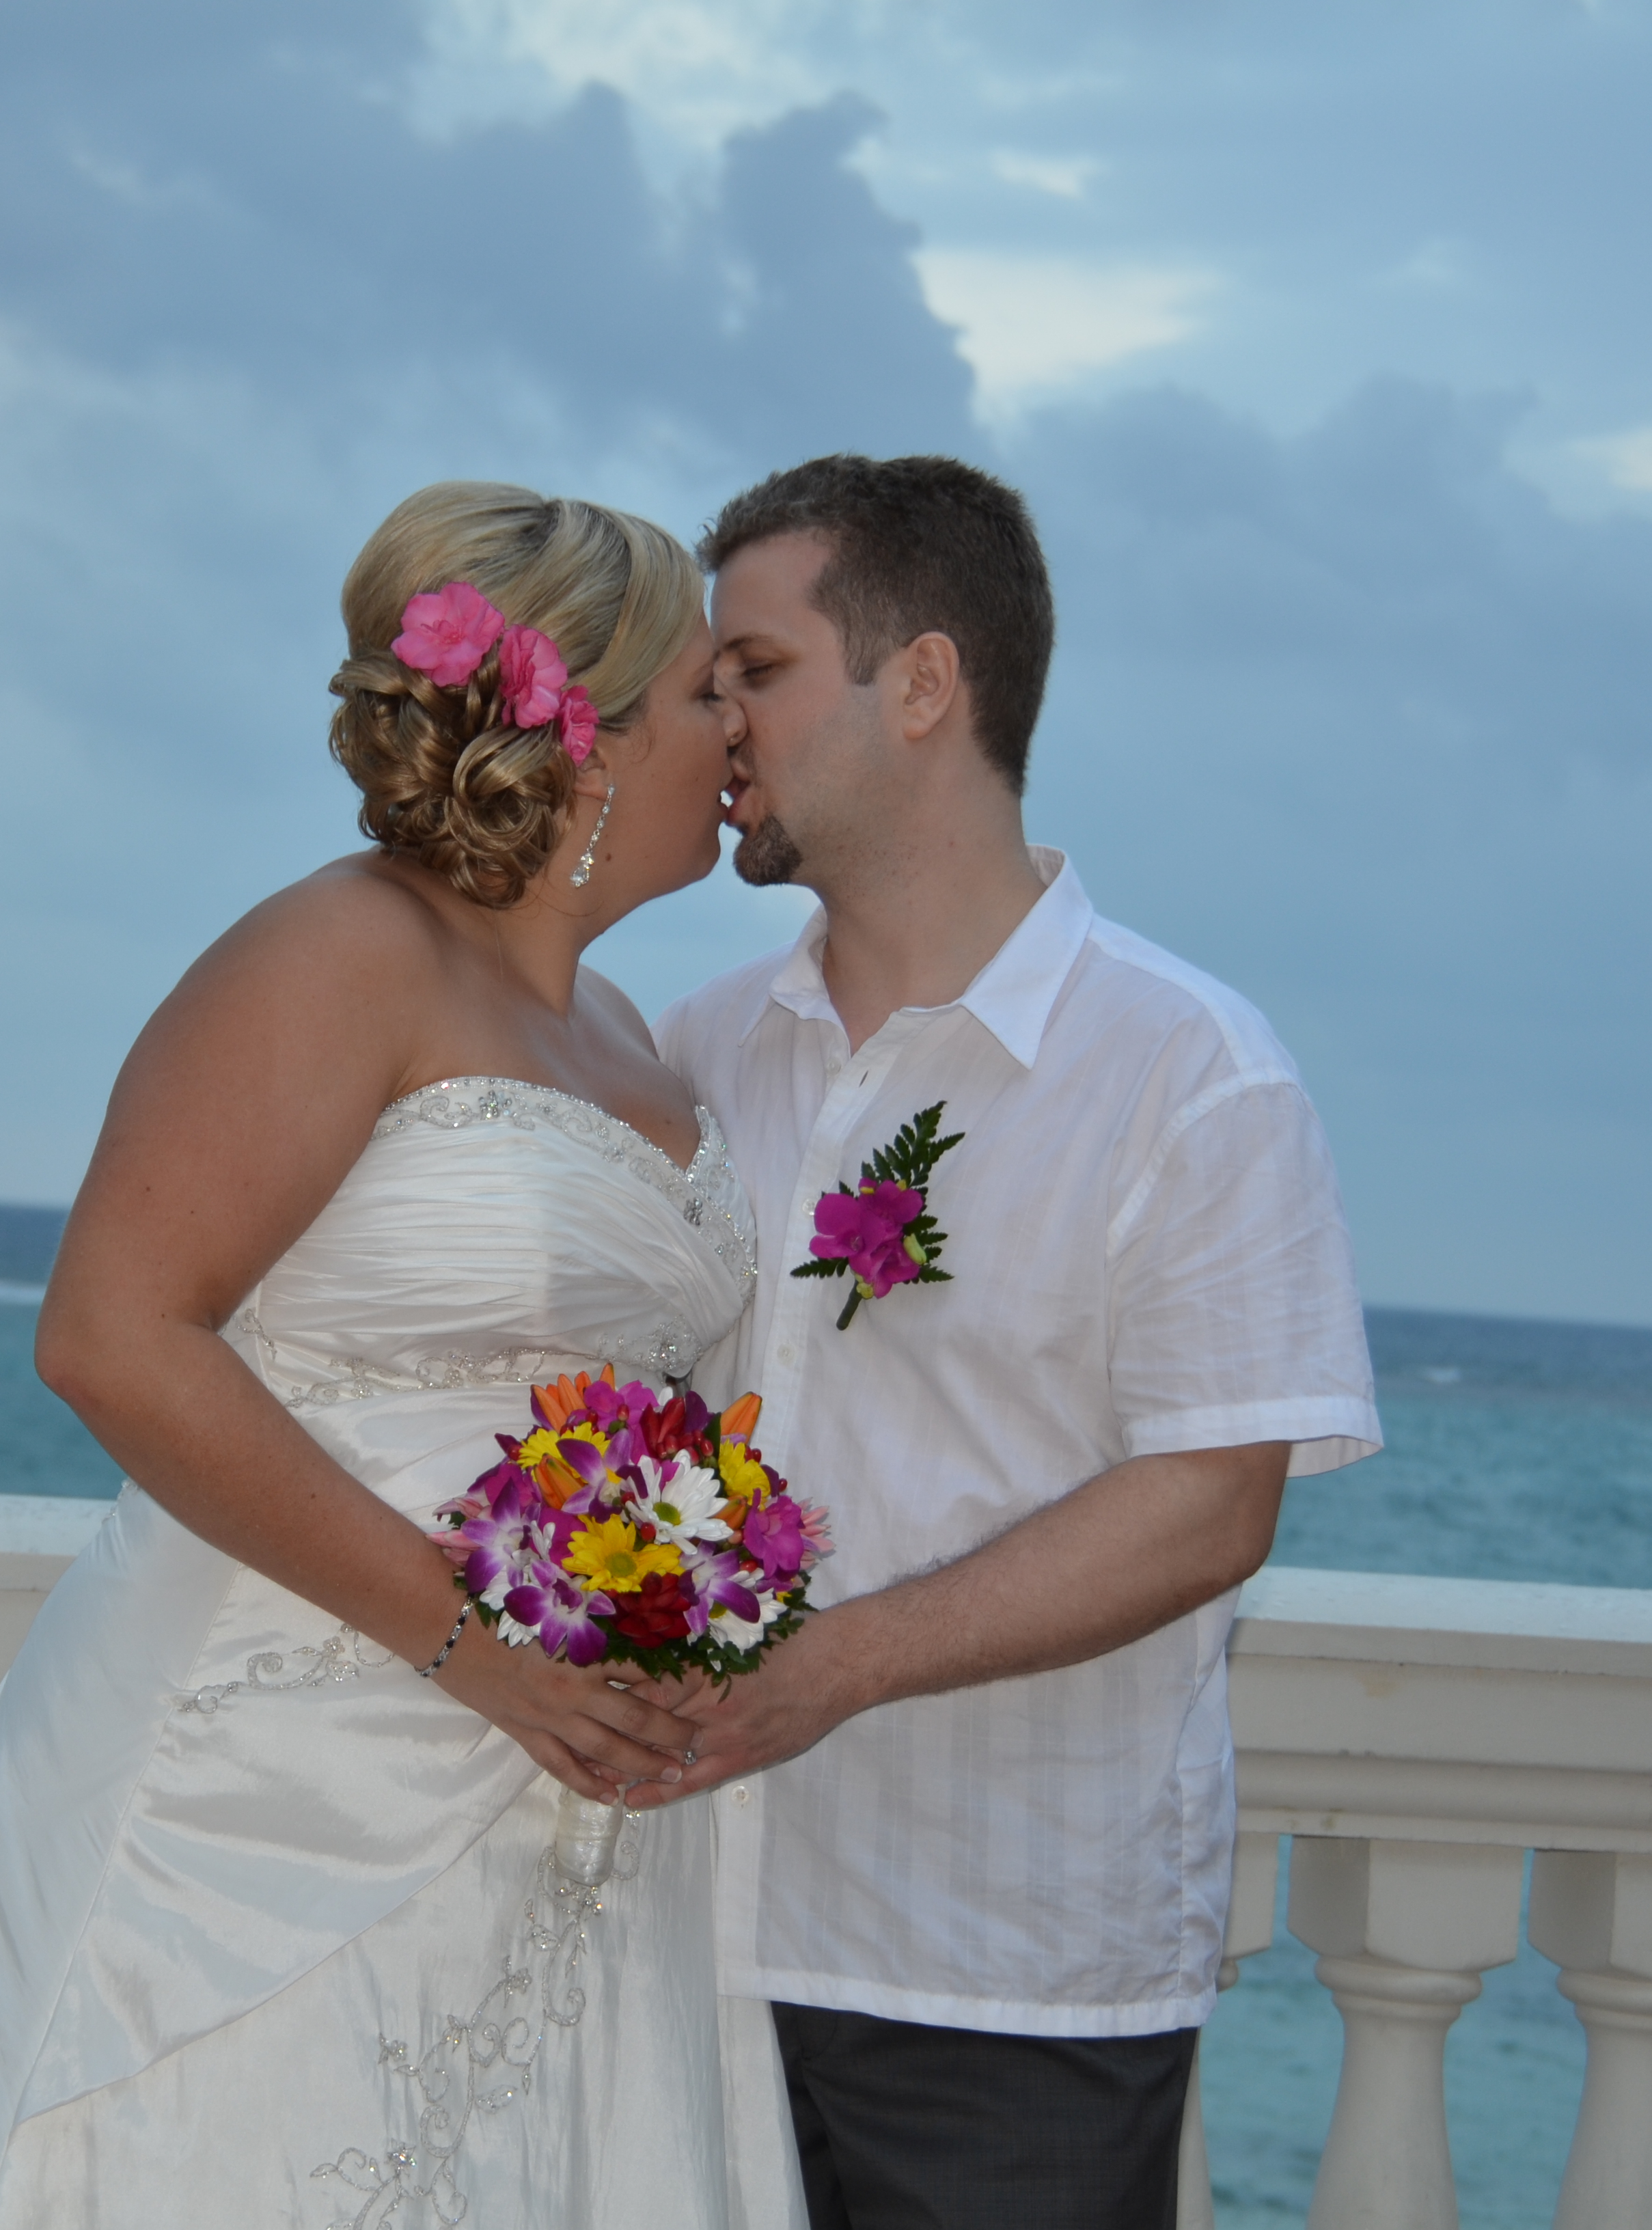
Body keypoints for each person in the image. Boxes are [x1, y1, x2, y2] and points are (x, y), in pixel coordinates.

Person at [0, 482, 803, 2229]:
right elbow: (113, 1338)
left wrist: (666, 1599)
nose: (734, 731)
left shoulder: (625, 1032)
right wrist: (477, 1646)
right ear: (584, 732)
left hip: (553, 1780)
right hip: (264, 1781)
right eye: (701, 693)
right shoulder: (338, 953)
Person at [642, 454, 1383, 2230]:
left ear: (922, 684)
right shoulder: (695, 1049)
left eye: (756, 669)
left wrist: (830, 1667)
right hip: (672, 1948)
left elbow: (1210, 1504)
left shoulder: (1191, 1076)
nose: (715, 720)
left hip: (1005, 1985)